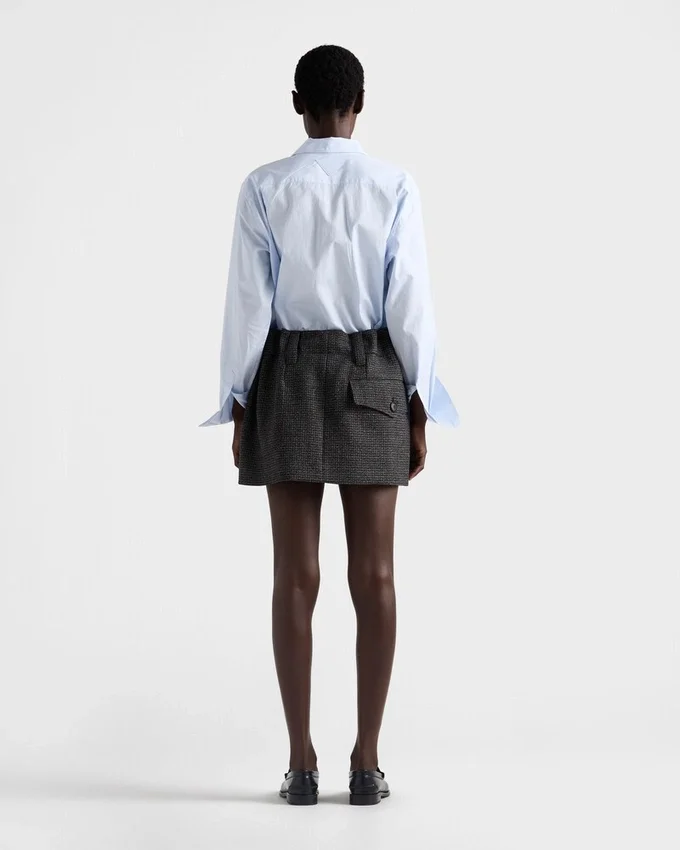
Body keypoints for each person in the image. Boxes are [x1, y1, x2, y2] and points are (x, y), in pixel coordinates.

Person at [199, 44, 459, 805]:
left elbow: (248, 302)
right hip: (373, 372)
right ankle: (367, 764)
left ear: (296, 104)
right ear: (360, 104)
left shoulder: (264, 186)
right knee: (375, 574)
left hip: (284, 374)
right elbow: (409, 300)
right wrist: (419, 401)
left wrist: (238, 400)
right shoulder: (393, 184)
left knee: (294, 575)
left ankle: (302, 764)